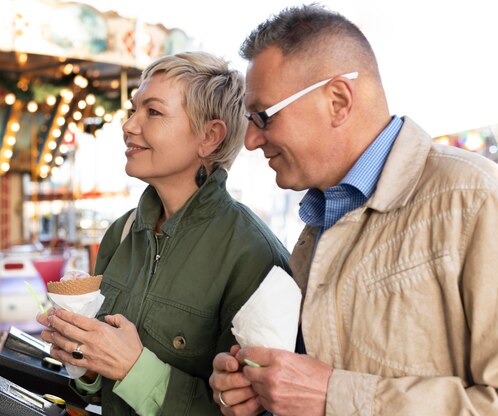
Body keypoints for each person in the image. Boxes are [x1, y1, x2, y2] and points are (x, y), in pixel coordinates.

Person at [209, 4, 498, 416]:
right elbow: (312, 380)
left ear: (339, 100)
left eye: (262, 116)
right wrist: (259, 387)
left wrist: (332, 396)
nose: (251, 140)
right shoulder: (317, 225)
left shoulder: (474, 199)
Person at [37, 51, 291, 415]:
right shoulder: (121, 233)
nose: (129, 125)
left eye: (153, 112)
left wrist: (133, 368)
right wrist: (85, 359)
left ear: (210, 137)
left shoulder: (256, 257)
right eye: (133, 109)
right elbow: (96, 392)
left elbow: (256, 411)